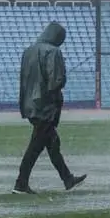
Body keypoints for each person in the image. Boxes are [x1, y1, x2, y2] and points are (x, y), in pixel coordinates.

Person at [14, 22, 86, 194]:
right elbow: (56, 81)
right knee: (36, 146)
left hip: (30, 104)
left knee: (52, 143)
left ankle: (67, 178)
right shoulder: (53, 52)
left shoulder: (28, 51)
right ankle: (20, 183)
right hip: (46, 105)